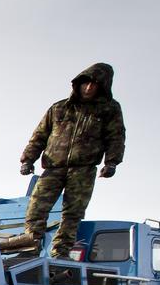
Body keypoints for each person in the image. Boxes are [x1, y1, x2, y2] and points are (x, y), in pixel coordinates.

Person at [19, 62, 126, 259]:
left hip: (83, 169)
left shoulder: (109, 110)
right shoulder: (59, 108)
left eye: (94, 84)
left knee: (72, 213)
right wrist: (27, 159)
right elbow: (40, 135)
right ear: (78, 83)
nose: (89, 88)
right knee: (36, 208)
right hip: (53, 167)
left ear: (102, 87)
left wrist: (112, 162)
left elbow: (116, 137)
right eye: (86, 83)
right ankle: (30, 250)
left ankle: (61, 251)